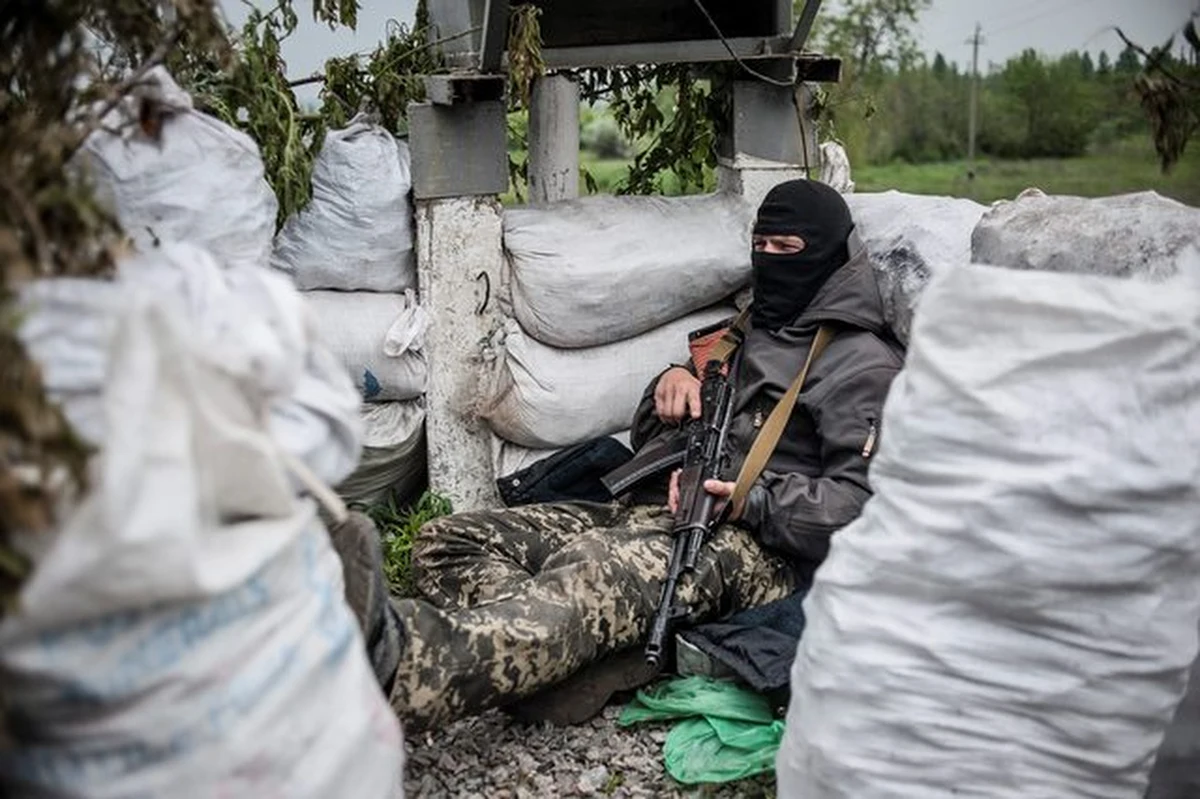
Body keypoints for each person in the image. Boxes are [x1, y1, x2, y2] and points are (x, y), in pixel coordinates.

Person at [331, 179, 904, 731]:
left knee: (590, 572)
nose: (770, 259)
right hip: (656, 507)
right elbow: (658, 437)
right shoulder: (745, 331)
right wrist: (670, 388)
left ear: (829, 257)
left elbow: (865, 506)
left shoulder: (860, 364)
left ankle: (399, 663)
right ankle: (571, 660)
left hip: (756, 550)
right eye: (761, 245)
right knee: (450, 541)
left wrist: (751, 500)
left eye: (787, 248)